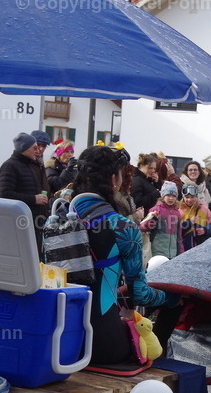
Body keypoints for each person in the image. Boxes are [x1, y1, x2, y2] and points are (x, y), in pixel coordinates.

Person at [67, 145, 179, 366]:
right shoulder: (123, 226)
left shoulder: (57, 216)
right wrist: (173, 298)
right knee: (163, 321)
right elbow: (141, 295)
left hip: (61, 340)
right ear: (113, 179)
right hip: (102, 343)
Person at [0, 132, 51, 256]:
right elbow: (5, 194)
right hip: (21, 225)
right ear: (24, 148)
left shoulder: (30, 166)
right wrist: (34, 199)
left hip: (35, 223)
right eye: (35, 147)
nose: (38, 151)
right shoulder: (9, 166)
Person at [140, 181, 182, 260]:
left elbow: (179, 236)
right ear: (163, 195)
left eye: (173, 196)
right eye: (168, 195)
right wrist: (153, 219)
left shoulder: (177, 213)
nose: (171, 198)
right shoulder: (156, 210)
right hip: (157, 253)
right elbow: (143, 227)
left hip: (173, 254)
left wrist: (180, 253)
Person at [179, 183, 211, 251]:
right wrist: (189, 223)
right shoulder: (179, 211)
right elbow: (176, 230)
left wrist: (205, 230)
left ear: (196, 197)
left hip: (200, 248)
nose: (189, 200)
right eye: (187, 197)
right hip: (184, 249)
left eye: (192, 197)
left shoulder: (204, 209)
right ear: (183, 197)